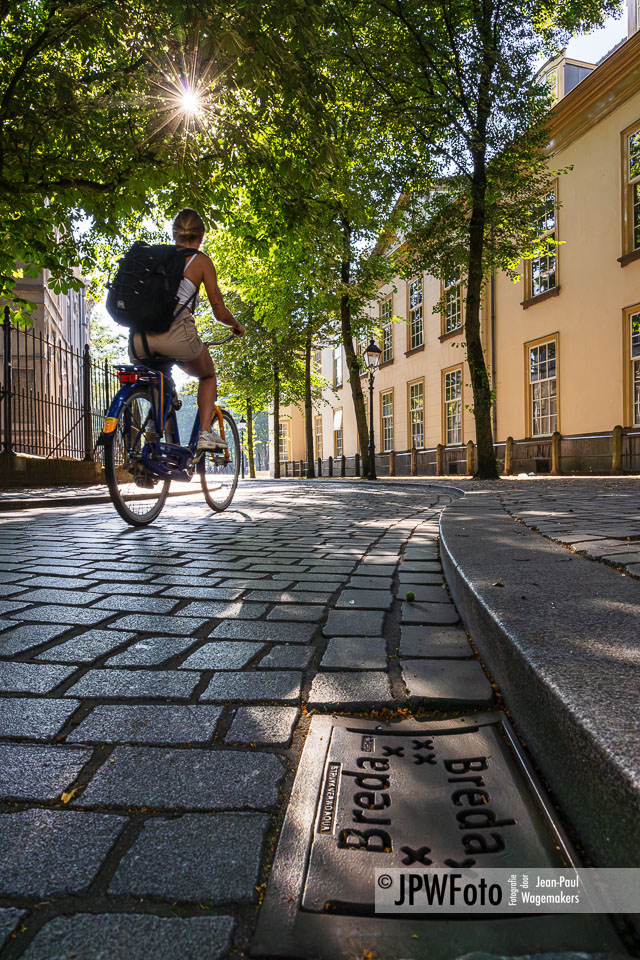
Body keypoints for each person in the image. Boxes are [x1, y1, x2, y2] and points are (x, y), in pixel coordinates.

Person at [129, 208, 244, 451]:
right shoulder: (200, 260)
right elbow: (219, 311)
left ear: (173, 234)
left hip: (139, 341)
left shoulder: (154, 256)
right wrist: (236, 325)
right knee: (207, 375)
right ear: (201, 236)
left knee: (161, 385)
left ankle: (150, 453)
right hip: (175, 336)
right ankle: (205, 432)